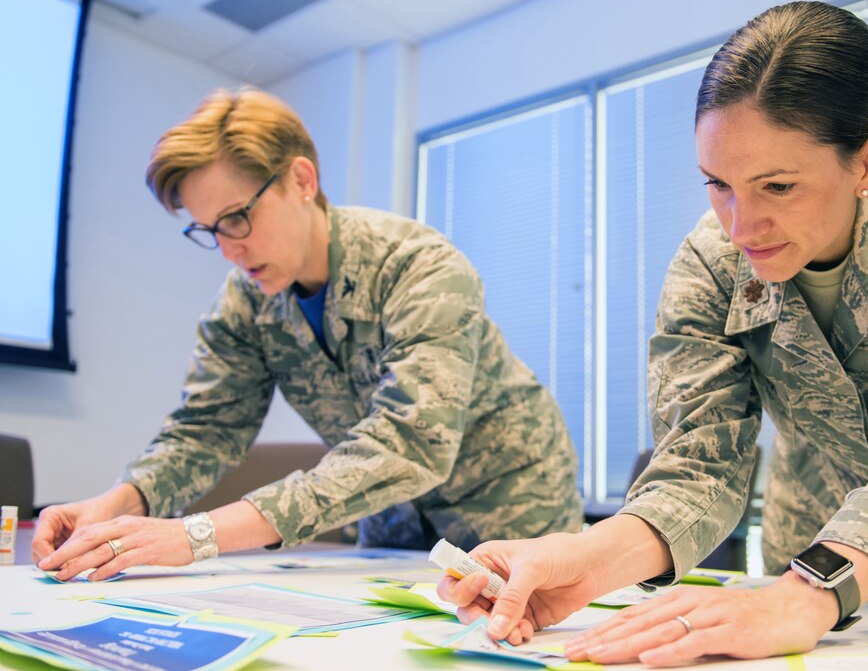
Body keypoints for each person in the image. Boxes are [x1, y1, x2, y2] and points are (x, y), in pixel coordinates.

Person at [437, 0, 868, 664]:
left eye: (777, 185)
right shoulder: (711, 263)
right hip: (799, 593)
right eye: (719, 184)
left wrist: (813, 589)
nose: (741, 227)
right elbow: (699, 466)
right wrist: (589, 559)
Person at [33, 89, 583, 596]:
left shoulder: (419, 266)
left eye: (237, 219)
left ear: (301, 180)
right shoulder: (245, 302)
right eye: (209, 231)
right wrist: (116, 503)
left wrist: (195, 535)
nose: (229, 250)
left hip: (513, 505)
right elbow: (207, 428)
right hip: (393, 520)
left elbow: (409, 442)